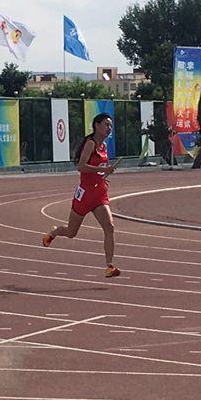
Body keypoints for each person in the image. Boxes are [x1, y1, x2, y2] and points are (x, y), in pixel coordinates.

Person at [42, 113, 120, 279]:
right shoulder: (90, 144)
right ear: (97, 125)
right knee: (71, 232)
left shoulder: (104, 146)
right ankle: (53, 233)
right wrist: (103, 169)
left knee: (109, 227)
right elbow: (81, 167)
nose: (109, 128)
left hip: (99, 193)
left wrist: (103, 175)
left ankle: (109, 266)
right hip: (85, 194)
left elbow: (98, 169)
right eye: (106, 124)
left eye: (111, 125)